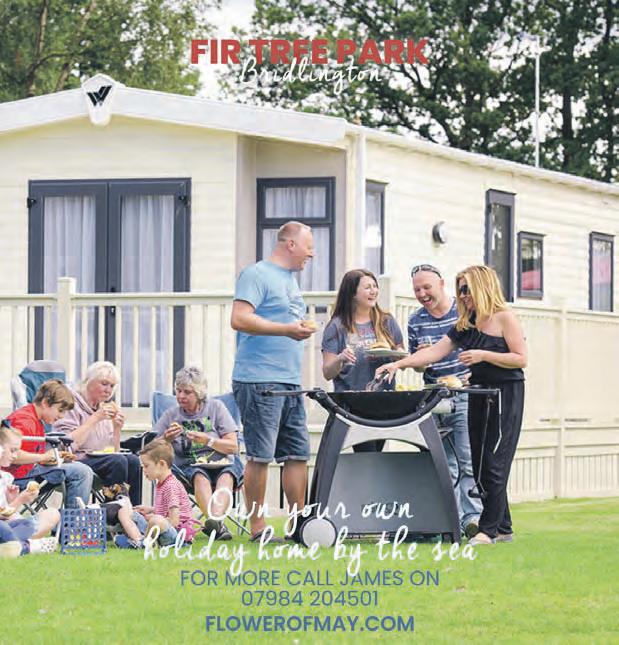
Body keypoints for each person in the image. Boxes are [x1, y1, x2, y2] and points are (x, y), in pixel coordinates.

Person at [376, 265, 527, 545]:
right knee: (481, 464)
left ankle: (487, 530)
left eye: (467, 289)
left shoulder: (504, 317)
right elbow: (434, 352)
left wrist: (483, 355)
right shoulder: (466, 324)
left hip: (504, 395)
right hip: (478, 394)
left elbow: (520, 358)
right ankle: (503, 528)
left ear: (483, 286)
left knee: (495, 463)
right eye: (461, 290)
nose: (463, 295)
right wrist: (398, 364)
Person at [231, 221, 316, 541]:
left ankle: (298, 525)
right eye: (308, 246)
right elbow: (239, 318)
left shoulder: (290, 280)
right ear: (290, 244)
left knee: (297, 454)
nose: (312, 253)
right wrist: (287, 330)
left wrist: (297, 328)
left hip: (290, 380)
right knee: (260, 455)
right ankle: (258, 528)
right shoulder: (256, 274)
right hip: (259, 380)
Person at [407, 264, 482, 536]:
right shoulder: (415, 320)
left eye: (426, 287)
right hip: (433, 398)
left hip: (463, 394)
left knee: (467, 458)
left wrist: (474, 374)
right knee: (442, 463)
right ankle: (449, 520)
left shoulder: (463, 312)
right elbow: (418, 366)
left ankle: (473, 518)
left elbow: (480, 348)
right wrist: (419, 358)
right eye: (417, 289)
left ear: (441, 284)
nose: (422, 294)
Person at [154, 366, 243, 541]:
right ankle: (217, 523)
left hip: (223, 461)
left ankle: (215, 522)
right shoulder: (171, 415)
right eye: (178, 390)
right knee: (200, 476)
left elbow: (233, 446)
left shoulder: (216, 408)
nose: (181, 396)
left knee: (226, 476)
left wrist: (207, 440)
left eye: (187, 392)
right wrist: (166, 439)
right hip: (189, 466)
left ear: (199, 393)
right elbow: (150, 449)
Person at [322, 268, 404, 451]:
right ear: (352, 293)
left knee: (374, 454)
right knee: (367, 453)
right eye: (368, 287)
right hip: (354, 406)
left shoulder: (387, 321)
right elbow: (327, 372)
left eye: (375, 286)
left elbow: (401, 355)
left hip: (384, 403)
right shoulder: (337, 326)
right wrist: (340, 358)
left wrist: (397, 356)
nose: (374, 291)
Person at [52, 361, 142, 505]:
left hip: (99, 461)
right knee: (117, 462)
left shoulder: (103, 409)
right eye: (104, 384)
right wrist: (94, 419)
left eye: (112, 386)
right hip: (74, 460)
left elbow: (113, 450)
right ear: (88, 381)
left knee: (133, 460)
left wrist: (117, 429)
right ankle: (112, 513)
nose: (108, 390)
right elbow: (67, 446)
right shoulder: (71, 404)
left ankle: (134, 511)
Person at [7, 380, 94, 509]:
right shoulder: (24, 421)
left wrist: (53, 458)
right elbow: (10, 454)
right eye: (60, 410)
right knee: (81, 472)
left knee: (78, 468)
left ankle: (69, 517)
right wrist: (43, 457)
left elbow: (30, 454)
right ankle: (73, 520)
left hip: (26, 473)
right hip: (15, 479)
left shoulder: (35, 419)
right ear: (45, 403)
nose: (62, 416)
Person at [119, 440, 198, 548]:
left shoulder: (171, 486)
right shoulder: (162, 483)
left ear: (161, 464)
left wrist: (153, 518)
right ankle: (139, 539)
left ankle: (141, 543)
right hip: (164, 530)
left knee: (155, 520)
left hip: (177, 535)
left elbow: (174, 521)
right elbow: (166, 510)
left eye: (146, 466)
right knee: (130, 513)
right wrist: (151, 509)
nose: (144, 470)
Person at [0, 423, 59, 556]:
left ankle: (12, 545)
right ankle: (28, 546)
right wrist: (19, 501)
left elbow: (7, 515)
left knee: (46, 517)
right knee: (4, 527)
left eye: (17, 451)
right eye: (12, 450)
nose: (15, 456)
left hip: (6, 526)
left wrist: (11, 500)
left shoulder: (6, 478)